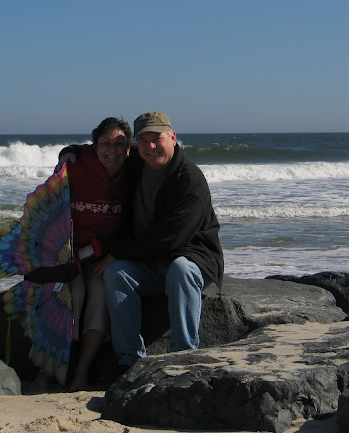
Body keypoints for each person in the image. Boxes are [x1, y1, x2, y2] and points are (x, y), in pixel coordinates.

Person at [100, 111, 223, 370]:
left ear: (173, 137)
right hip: (151, 262)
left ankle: (183, 356)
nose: (150, 146)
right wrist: (69, 151)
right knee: (116, 272)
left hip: (191, 257)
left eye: (157, 138)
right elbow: (105, 151)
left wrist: (118, 251)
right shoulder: (137, 162)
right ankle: (130, 360)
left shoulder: (189, 179)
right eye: (143, 141)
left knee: (180, 269)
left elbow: (170, 240)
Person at [37, 116, 132, 391]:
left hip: (103, 257)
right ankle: (47, 369)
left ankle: (81, 371)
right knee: (73, 292)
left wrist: (113, 254)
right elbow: (45, 211)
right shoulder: (74, 171)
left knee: (102, 294)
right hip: (65, 255)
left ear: (129, 149)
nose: (112, 150)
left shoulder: (134, 175)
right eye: (105, 143)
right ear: (94, 146)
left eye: (119, 144)